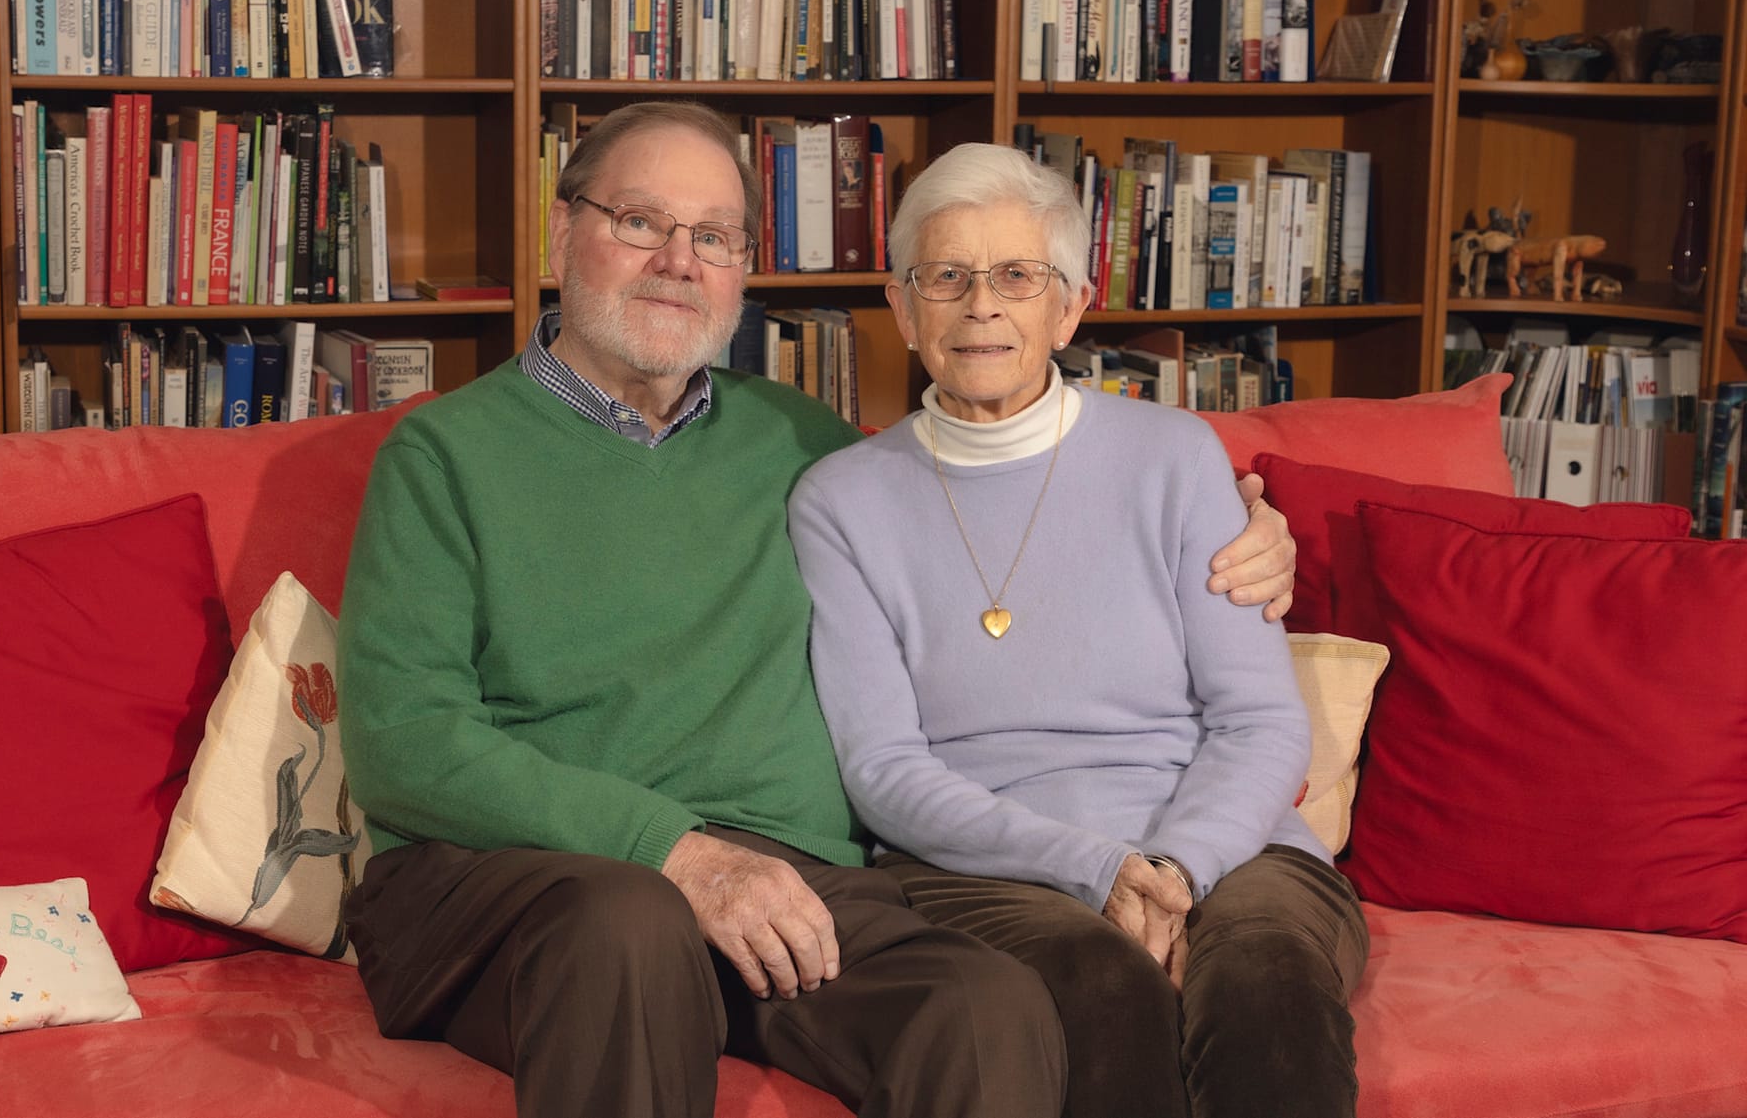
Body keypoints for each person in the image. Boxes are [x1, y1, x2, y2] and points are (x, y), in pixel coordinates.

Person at [334, 103, 1296, 1118]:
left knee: (984, 1005)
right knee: (630, 924)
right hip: (518, 887)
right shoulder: (442, 456)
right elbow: (407, 740)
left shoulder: (804, 446)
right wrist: (677, 853)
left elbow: (974, 510)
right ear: (563, 229)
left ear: (744, 269)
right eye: (638, 221)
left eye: (713, 236)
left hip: (787, 881)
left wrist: (1243, 533)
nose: (677, 260)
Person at [786, 142, 1369, 1118]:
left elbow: (1260, 724)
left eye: (1018, 274)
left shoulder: (1177, 458)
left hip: (1232, 847)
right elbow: (884, 767)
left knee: (1265, 979)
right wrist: (1094, 868)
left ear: (1070, 304)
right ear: (901, 306)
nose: (983, 304)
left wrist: (1174, 867)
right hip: (984, 864)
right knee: (1100, 988)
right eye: (948, 275)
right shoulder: (842, 502)